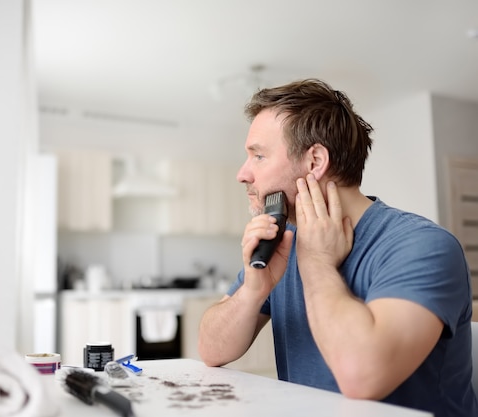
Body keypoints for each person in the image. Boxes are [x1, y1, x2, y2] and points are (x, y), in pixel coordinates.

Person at [197, 78, 477, 417]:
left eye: (258, 156)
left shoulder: (423, 246)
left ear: (314, 161)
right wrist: (253, 290)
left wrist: (316, 262)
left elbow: (362, 377)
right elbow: (210, 349)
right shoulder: (281, 241)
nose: (243, 174)